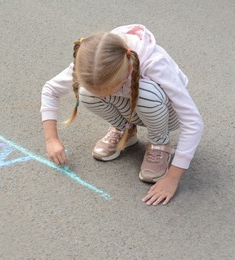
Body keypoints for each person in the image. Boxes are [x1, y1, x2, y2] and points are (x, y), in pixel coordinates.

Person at [40, 24, 204, 206]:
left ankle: (159, 143)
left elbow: (193, 122)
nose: (102, 95)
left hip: (164, 113)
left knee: (146, 92)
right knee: (85, 90)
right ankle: (125, 130)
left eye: (107, 89)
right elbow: (50, 90)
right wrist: (51, 139)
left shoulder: (155, 64)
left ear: (125, 73)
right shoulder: (92, 60)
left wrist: (173, 177)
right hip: (131, 109)